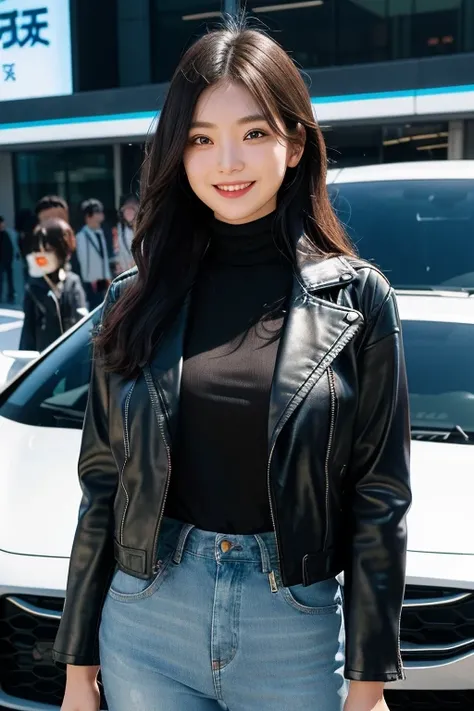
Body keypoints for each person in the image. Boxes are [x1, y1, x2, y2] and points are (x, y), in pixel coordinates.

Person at [53, 20, 411, 711]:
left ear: (295, 141)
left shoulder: (360, 300)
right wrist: (77, 666)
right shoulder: (135, 300)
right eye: (200, 138)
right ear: (176, 153)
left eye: (252, 133)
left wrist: (368, 683)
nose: (227, 163)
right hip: (147, 615)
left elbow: (380, 498)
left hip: (293, 625)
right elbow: (102, 486)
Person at [20, 218, 87, 352]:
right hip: (43, 358)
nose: (42, 255)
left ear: (63, 250)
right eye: (38, 250)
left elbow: (81, 326)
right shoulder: (33, 286)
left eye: (48, 249)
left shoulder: (72, 282)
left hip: (69, 357)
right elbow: (28, 331)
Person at [75, 198, 111, 309]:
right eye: (97, 212)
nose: (101, 214)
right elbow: (83, 260)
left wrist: (107, 276)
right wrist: (90, 280)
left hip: (103, 279)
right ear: (88, 216)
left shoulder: (101, 232)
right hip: (91, 281)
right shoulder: (81, 236)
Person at [112, 194, 139, 274]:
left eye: (132, 209)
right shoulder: (119, 228)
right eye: (126, 210)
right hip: (125, 272)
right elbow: (116, 250)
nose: (129, 212)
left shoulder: (143, 228)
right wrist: (118, 263)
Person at [0, 215, 15, 303]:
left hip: (7, 260)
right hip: (2, 260)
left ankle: (11, 295)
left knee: (9, 279)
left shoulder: (6, 234)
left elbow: (10, 248)